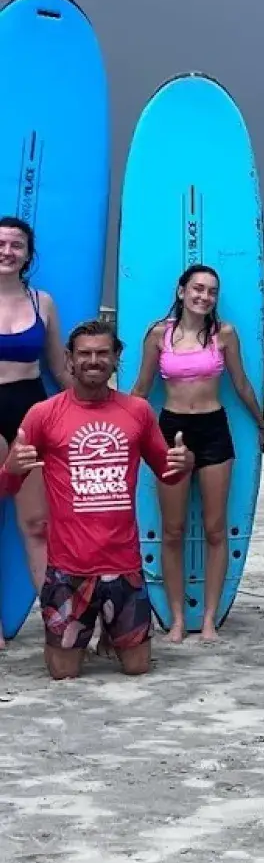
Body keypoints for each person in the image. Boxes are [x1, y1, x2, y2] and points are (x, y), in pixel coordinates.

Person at [0, 320, 193, 679]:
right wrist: (10, 467)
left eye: (102, 353)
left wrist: (185, 465)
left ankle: (110, 629)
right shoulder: (44, 414)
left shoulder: (137, 412)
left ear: (117, 358)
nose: (93, 360)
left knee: (137, 668)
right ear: (69, 359)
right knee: (62, 673)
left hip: (124, 566)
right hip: (67, 569)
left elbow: (168, 472)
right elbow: (5, 487)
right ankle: (87, 630)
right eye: (84, 353)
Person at [130, 264, 264, 643]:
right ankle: (176, 619)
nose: (204, 297)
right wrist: (119, 426)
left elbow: (240, 382)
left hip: (214, 431)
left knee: (214, 528)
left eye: (211, 292)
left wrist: (261, 421)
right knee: (173, 531)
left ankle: (208, 619)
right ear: (181, 291)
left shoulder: (224, 334)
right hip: (172, 432)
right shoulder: (159, 334)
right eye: (197, 288)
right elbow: (141, 388)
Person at [0, 215, 70, 647]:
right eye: (0, 243)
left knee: (37, 524)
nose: (6, 251)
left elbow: (61, 368)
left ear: (28, 254)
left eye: (15, 245)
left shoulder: (42, 301)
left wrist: (104, 410)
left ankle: (55, 621)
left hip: (30, 411)